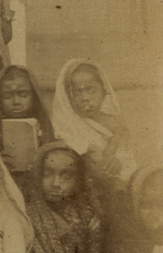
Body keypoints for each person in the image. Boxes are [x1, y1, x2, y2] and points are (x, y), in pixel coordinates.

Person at [51, 59, 137, 190]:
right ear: (68, 97)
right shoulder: (67, 128)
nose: (85, 97)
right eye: (77, 92)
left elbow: (128, 159)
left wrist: (116, 162)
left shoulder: (116, 124)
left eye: (90, 90)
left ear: (103, 92)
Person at [0, 65, 55, 167]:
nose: (16, 102)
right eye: (7, 96)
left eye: (23, 95)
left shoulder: (44, 123)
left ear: (33, 96)